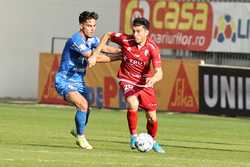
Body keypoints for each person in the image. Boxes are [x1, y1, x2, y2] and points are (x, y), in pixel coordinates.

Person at [93, 17, 165, 153]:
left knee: (152, 117)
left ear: (146, 32)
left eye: (138, 31)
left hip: (145, 82)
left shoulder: (152, 48)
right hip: (127, 79)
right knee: (133, 103)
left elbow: (159, 72)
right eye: (134, 31)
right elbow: (108, 34)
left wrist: (153, 80)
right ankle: (133, 136)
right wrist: (96, 53)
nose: (135, 34)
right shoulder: (126, 40)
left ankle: (153, 141)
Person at [54, 11, 120, 150]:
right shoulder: (76, 40)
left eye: (94, 25)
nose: (92, 28)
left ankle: (77, 129)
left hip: (79, 81)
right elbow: (93, 56)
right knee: (83, 105)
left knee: (87, 109)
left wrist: (125, 51)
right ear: (81, 25)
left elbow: (106, 48)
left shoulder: (92, 39)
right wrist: (120, 57)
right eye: (89, 25)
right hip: (65, 80)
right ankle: (81, 138)